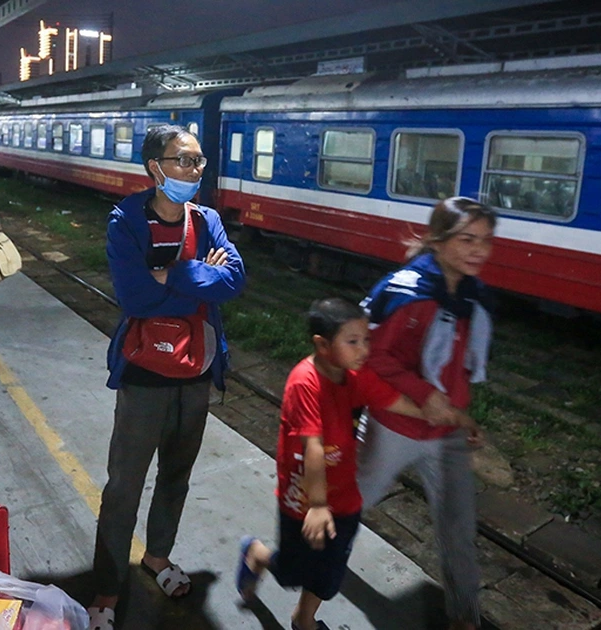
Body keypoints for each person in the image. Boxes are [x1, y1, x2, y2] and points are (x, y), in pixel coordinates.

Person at [87, 124, 246, 629]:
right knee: (124, 486)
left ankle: (157, 557)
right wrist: (201, 276)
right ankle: (108, 588)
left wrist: (171, 274)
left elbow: (234, 280)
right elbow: (133, 297)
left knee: (176, 473)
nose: (194, 171)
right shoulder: (126, 220)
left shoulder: (209, 219)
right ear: (154, 168)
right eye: (182, 161)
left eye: (198, 161)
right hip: (144, 376)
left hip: (195, 371)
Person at [236, 298, 450, 630]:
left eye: (366, 339)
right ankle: (257, 554)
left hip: (345, 498)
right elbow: (314, 448)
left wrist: (438, 414)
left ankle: (303, 619)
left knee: (329, 571)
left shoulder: (356, 375)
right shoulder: (303, 382)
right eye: (353, 341)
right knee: (293, 570)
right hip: (303, 499)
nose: (363, 349)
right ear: (322, 345)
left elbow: (392, 400)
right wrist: (318, 505)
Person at [356, 197, 495, 630]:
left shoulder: (469, 296)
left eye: (486, 241)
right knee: (345, 510)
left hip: (445, 434)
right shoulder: (406, 293)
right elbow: (369, 356)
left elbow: (456, 373)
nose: (479, 250)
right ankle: (281, 559)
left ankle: (464, 619)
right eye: (467, 239)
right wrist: (423, 394)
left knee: (458, 532)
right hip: (393, 426)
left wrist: (462, 417)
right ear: (438, 240)